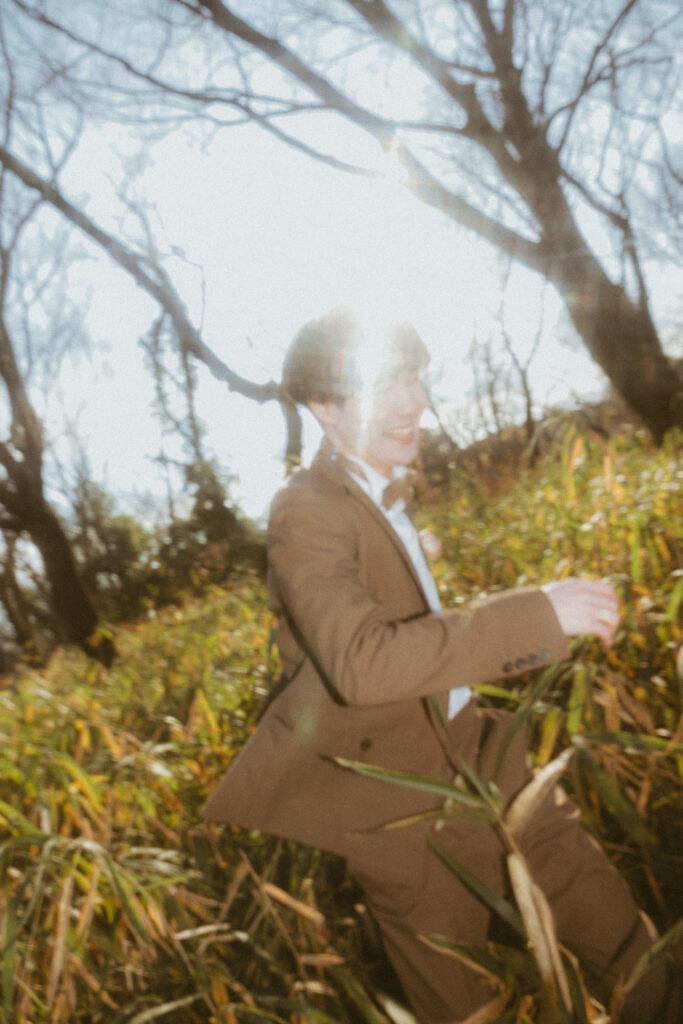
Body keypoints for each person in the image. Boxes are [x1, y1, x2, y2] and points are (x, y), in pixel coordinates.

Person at [203, 308, 676, 1023]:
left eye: (414, 380)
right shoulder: (303, 508)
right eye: (383, 386)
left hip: (486, 756)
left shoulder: (383, 486)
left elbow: (404, 624)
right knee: (466, 1010)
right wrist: (538, 614)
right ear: (324, 407)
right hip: (403, 815)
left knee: (628, 951)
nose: (412, 403)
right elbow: (360, 663)